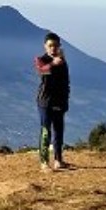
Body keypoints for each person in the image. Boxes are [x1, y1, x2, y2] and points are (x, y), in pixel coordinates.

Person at [33, 33, 72, 171]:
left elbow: (66, 82)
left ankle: (58, 160)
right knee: (46, 131)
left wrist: (66, 100)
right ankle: (44, 162)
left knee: (59, 131)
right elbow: (41, 70)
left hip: (59, 101)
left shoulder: (63, 62)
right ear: (45, 46)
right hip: (45, 101)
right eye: (50, 46)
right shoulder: (41, 59)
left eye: (55, 45)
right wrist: (52, 64)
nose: (53, 48)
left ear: (59, 46)